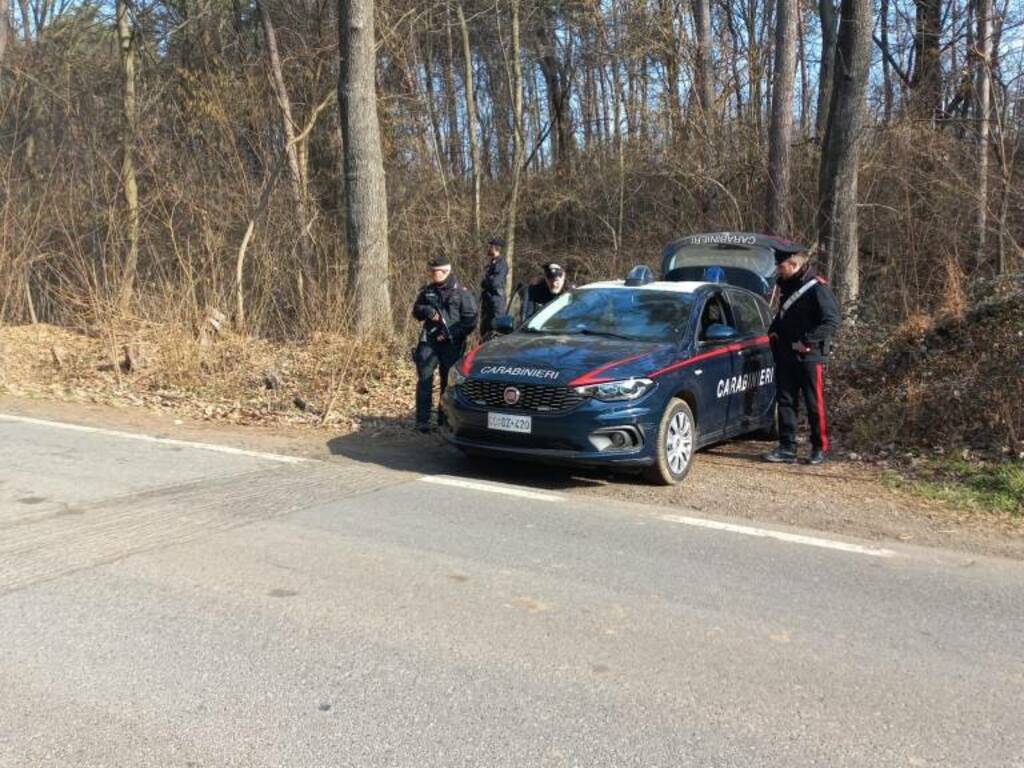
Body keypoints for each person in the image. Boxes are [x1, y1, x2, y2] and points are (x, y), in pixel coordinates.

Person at [763, 244, 841, 465]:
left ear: (795, 264)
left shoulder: (818, 288)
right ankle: (787, 447)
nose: (778, 270)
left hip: (810, 356)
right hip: (785, 355)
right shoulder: (787, 285)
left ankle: (820, 448)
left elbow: (832, 321)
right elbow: (784, 315)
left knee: (814, 403)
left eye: (781, 266)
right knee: (785, 402)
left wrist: (807, 341)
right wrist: (774, 331)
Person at [411, 255, 478, 432]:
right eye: (431, 271)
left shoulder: (462, 293)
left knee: (447, 383)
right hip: (429, 341)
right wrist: (426, 310)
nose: (432, 274)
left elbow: (470, 321)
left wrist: (451, 334)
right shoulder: (427, 291)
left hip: (452, 344)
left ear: (446, 271)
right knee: (424, 379)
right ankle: (422, 421)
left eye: (435, 271)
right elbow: (416, 311)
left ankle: (444, 420)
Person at [478, 238, 508, 336]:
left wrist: (486, 281)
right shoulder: (491, 263)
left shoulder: (501, 263)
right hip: (487, 301)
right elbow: (483, 282)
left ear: (495, 248)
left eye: (490, 246)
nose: (488, 248)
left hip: (496, 301)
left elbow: (495, 282)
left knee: (496, 329)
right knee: (484, 330)